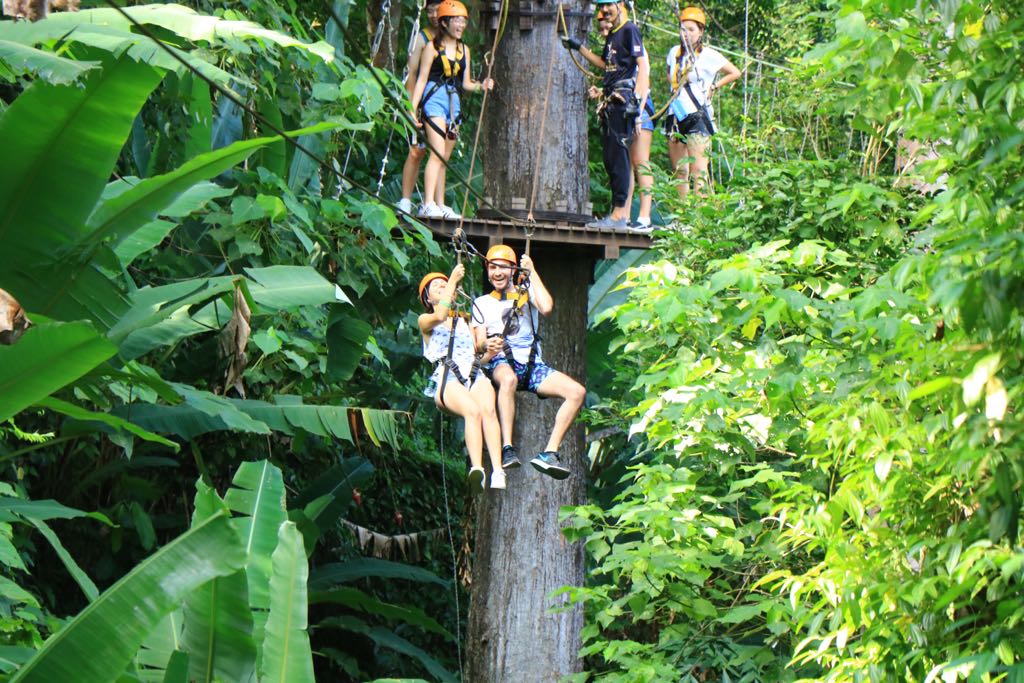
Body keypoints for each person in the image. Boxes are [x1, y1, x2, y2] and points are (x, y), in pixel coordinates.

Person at [473, 245, 586, 480]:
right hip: (500, 361)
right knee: (508, 379)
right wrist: (487, 346)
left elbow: (546, 307)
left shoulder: (526, 293)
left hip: (533, 366)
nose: (497, 273)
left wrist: (532, 271)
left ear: (513, 270)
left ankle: (549, 452)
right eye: (492, 267)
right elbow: (478, 343)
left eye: (503, 267)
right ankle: (507, 448)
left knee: (577, 392)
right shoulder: (482, 303)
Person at [561, 0, 649, 230]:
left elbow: (643, 67)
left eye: (609, 5)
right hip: (611, 101)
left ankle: (620, 215)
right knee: (611, 158)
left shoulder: (629, 30)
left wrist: (637, 103)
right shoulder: (613, 34)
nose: (605, 10)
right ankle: (618, 213)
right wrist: (578, 47)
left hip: (623, 100)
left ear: (620, 4)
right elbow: (605, 64)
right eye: (602, 7)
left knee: (619, 157)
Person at [419, 266, 505, 490]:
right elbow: (440, 315)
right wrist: (452, 280)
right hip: (448, 377)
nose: (441, 285)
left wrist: (490, 348)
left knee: (489, 411)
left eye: (444, 283)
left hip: (472, 372)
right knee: (472, 411)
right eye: (435, 285)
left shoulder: (465, 322)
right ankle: (477, 468)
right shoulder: (426, 320)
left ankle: (498, 471)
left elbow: (478, 352)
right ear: (428, 298)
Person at [410, 0, 495, 220]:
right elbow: (420, 80)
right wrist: (412, 109)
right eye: (457, 20)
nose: (461, 25)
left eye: (463, 21)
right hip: (434, 99)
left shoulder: (463, 50)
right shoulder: (431, 47)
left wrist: (481, 86)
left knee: (445, 157)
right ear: (445, 22)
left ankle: (440, 204)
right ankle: (427, 203)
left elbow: (465, 83)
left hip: (453, 102)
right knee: (436, 153)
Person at [663, 6, 741, 200]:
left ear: (701, 32)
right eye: (683, 29)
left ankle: (699, 221)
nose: (686, 34)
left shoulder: (709, 55)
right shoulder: (674, 52)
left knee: (699, 170)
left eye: (691, 29)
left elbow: (735, 72)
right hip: (675, 115)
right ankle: (681, 216)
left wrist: (714, 86)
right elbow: (669, 74)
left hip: (697, 116)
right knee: (679, 170)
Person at [397, 0, 443, 216]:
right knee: (416, 151)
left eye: (437, 9)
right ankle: (405, 200)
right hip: (421, 102)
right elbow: (412, 73)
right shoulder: (422, 38)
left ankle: (434, 203)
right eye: (430, 10)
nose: (434, 15)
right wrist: (410, 106)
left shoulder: (452, 39)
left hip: (441, 105)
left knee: (439, 153)